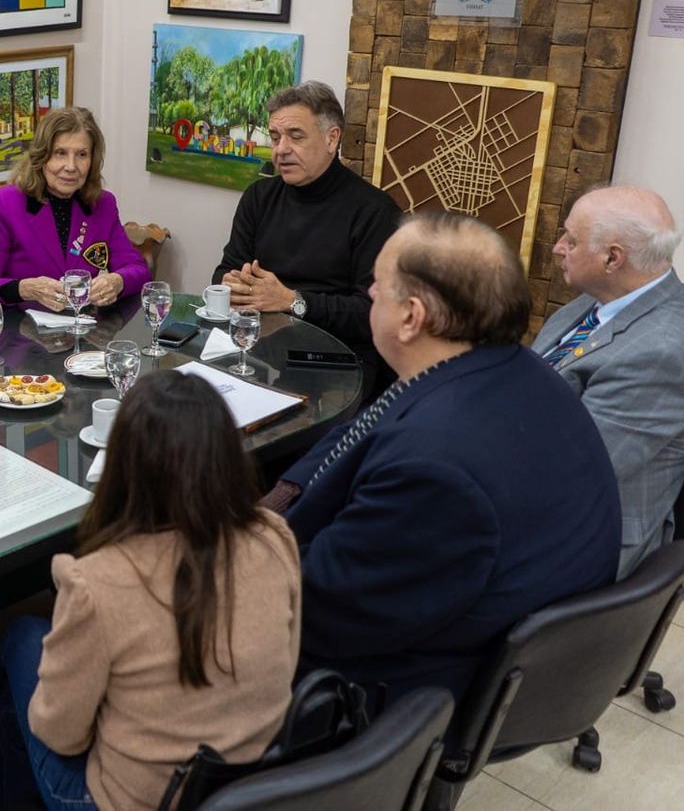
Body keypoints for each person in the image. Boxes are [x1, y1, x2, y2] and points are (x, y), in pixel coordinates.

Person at [265, 212, 620, 707]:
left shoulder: (436, 466)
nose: (368, 294)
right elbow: (362, 431)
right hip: (448, 615)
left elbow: (314, 614)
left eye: (377, 285)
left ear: (411, 317)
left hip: (391, 690)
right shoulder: (512, 371)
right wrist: (281, 502)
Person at [0, 371, 301, 811]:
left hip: (140, 800)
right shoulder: (274, 535)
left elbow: (60, 734)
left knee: (22, 641)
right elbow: (284, 663)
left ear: (123, 464)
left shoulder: (99, 581)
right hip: (251, 786)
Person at [533, 185, 684, 577]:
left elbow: (575, 470)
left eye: (571, 239)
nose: (558, 247)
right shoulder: (591, 303)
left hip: (581, 539)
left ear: (612, 258)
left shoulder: (664, 351)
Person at [212, 81, 401, 379]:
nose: (281, 150)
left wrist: (291, 301)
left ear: (331, 139)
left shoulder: (375, 211)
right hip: (257, 347)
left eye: (295, 136)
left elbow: (372, 313)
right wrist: (232, 283)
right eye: (275, 137)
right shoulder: (258, 197)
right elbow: (226, 269)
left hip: (338, 363)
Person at [0, 107, 149, 312]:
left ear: (92, 160)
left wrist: (118, 281)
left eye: (81, 154)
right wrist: (24, 289)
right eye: (60, 153)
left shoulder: (103, 204)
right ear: (41, 156)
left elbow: (139, 270)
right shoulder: (4, 203)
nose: (71, 166)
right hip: (21, 334)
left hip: (83, 330)